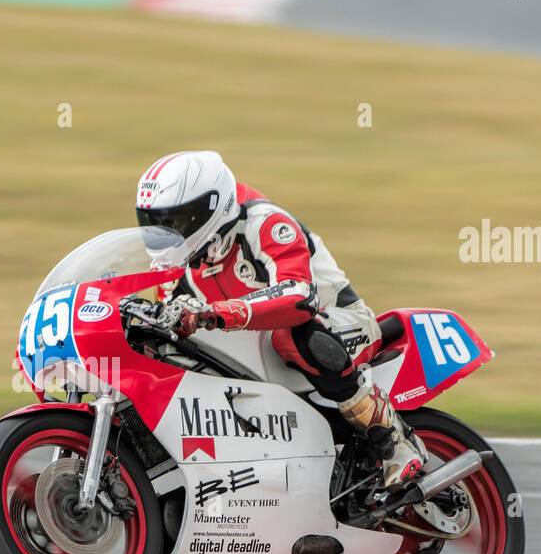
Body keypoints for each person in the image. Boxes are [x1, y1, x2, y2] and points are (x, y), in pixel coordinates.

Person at [135, 150, 425, 487]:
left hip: (339, 324)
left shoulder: (265, 223)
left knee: (292, 335)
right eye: (152, 223)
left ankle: (394, 440)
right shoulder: (178, 260)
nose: (162, 235)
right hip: (255, 348)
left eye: (173, 222)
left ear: (209, 211)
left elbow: (299, 297)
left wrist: (216, 313)